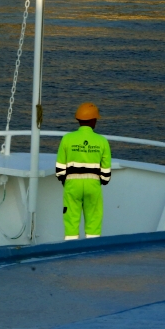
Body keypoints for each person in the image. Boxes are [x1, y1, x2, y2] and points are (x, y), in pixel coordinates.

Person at [55, 103, 112, 240]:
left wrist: (66, 182)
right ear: (93, 121)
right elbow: (106, 175)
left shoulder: (67, 139)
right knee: (94, 220)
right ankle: (92, 254)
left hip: (72, 185)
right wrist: (101, 181)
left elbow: (60, 170)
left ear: (78, 120)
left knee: (71, 220)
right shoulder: (102, 141)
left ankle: (70, 250)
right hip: (93, 185)